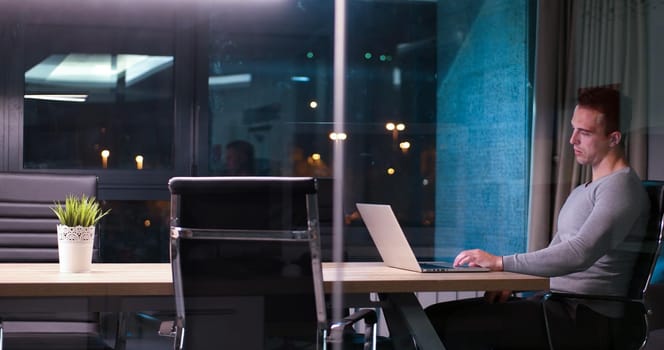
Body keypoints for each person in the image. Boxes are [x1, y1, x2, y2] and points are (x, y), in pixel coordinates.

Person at [424, 87, 650, 350]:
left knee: (440, 323)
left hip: (584, 316)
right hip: (555, 303)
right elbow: (556, 250)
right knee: (434, 316)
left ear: (613, 138)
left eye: (585, 133)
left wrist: (499, 262)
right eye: (573, 128)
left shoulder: (621, 188)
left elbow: (579, 254)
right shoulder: (584, 190)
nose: (572, 139)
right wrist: (517, 282)